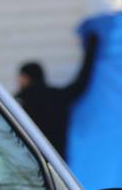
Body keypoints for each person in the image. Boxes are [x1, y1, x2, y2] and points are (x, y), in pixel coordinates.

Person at [14, 31, 101, 160]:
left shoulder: (19, 102)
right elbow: (81, 82)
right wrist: (92, 47)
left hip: (29, 162)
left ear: (25, 78)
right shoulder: (58, 97)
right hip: (58, 162)